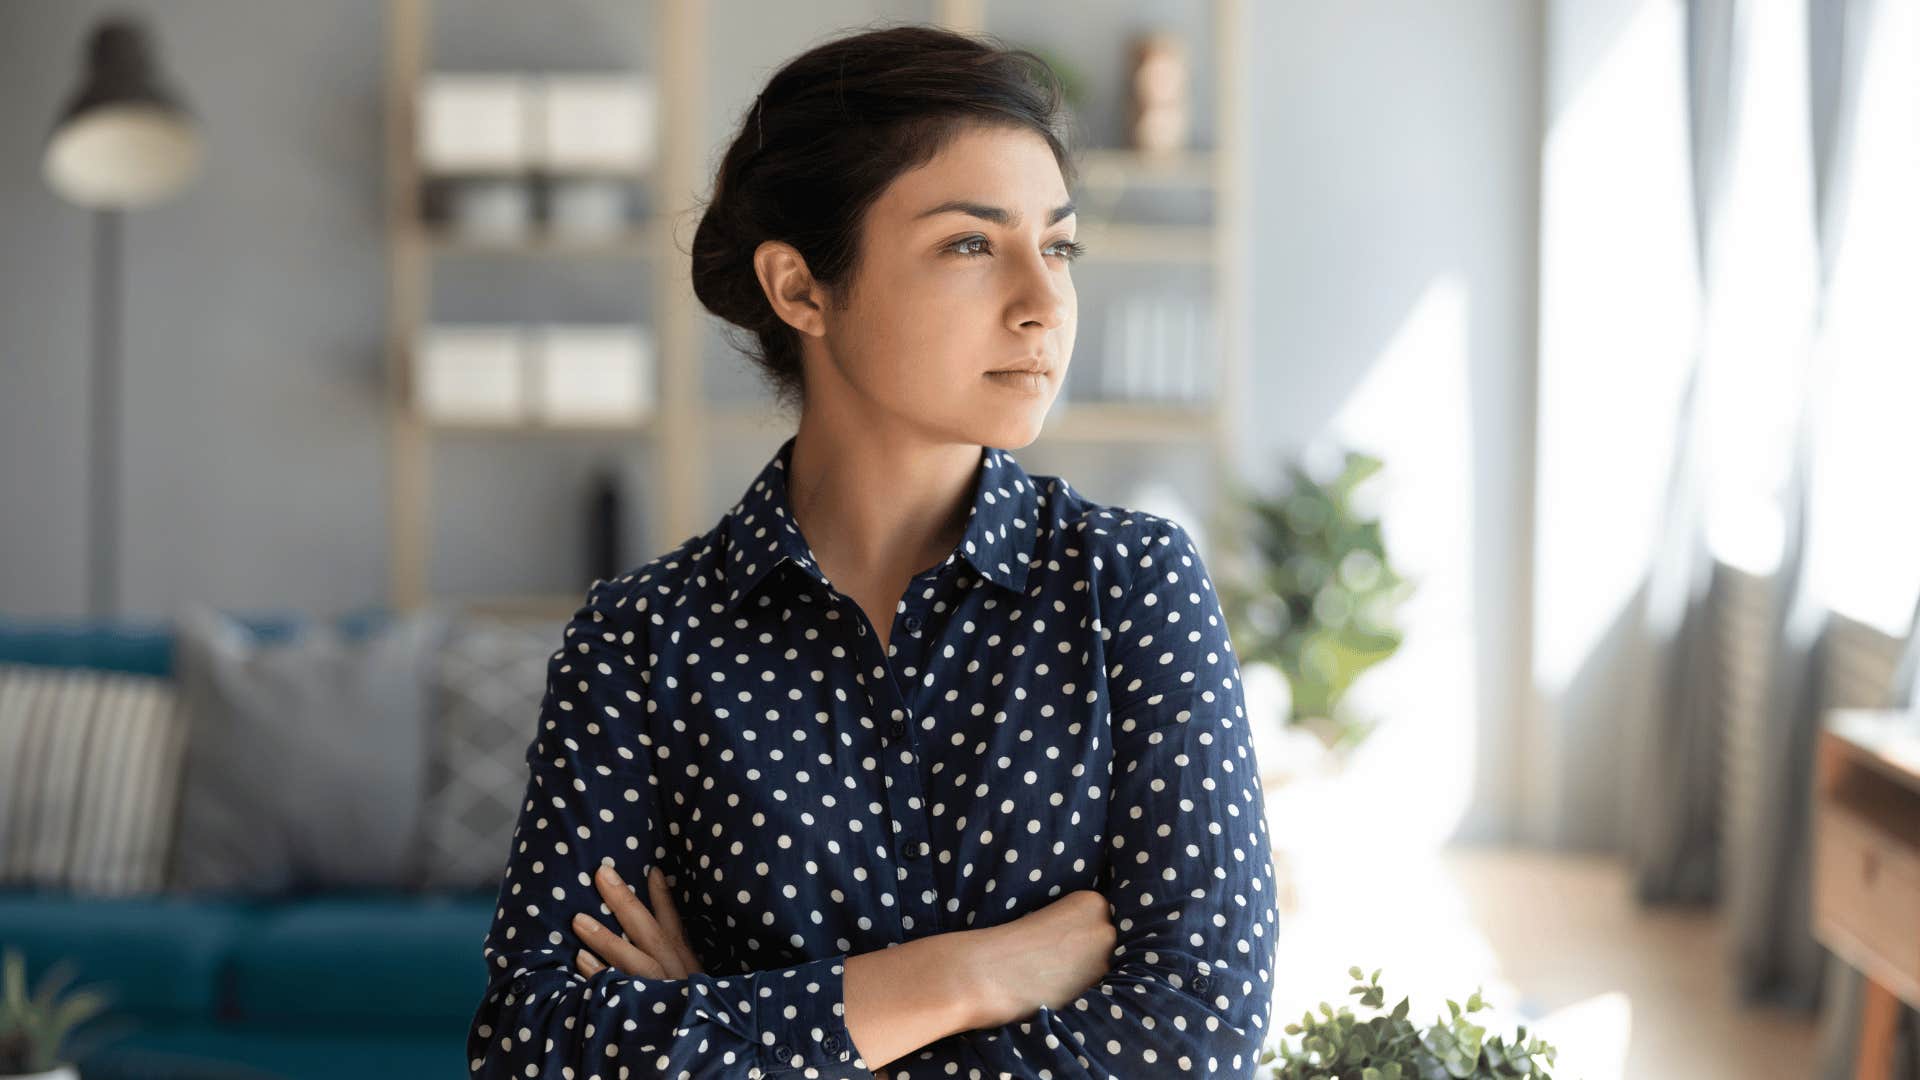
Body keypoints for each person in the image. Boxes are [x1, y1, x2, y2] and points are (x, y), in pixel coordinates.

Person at [464, 22, 1279, 1079]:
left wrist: (725, 1019)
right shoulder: (639, 641)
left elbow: (1197, 1035)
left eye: (1059, 245)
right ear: (801, 289)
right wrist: (967, 978)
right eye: (970, 245)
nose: (1043, 304)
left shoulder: (1131, 590)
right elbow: (534, 1051)